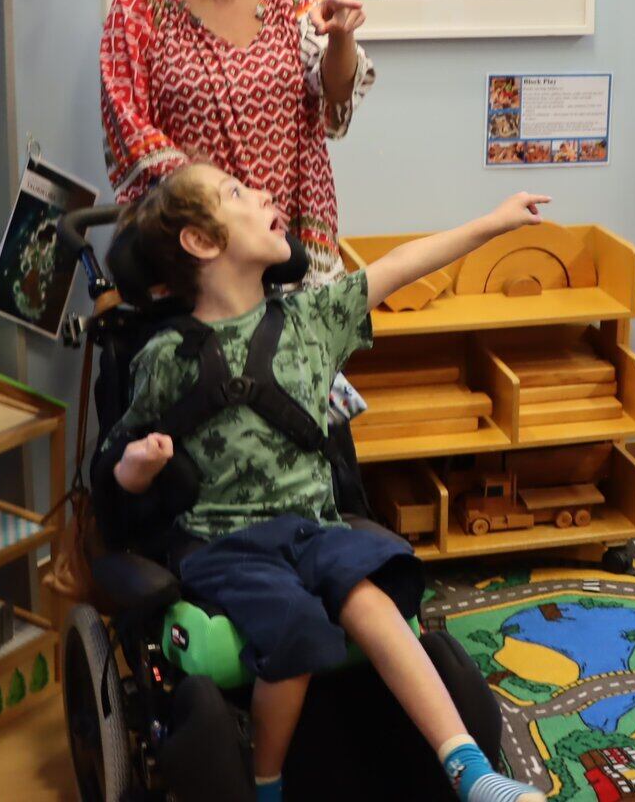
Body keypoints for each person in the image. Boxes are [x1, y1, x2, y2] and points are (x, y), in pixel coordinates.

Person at [103, 163, 548, 802]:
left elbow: (401, 265)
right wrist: (140, 463)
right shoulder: (165, 357)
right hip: (227, 543)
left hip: (317, 526)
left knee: (373, 597)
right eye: (236, 193)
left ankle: (470, 771)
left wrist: (492, 223)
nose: (262, 193)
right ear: (201, 243)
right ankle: (267, 784)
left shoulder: (313, 316)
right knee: (294, 626)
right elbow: (119, 465)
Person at [100, 0, 371, 284]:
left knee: (295, 353)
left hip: (296, 245)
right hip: (196, 251)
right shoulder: (140, 8)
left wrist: (342, 39)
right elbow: (129, 135)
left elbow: (335, 98)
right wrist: (232, 211)